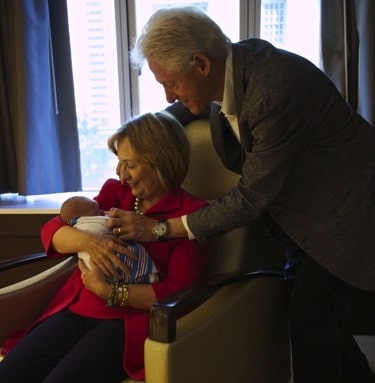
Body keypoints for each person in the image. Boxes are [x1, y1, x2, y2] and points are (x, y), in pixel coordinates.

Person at [109, 6, 375, 383]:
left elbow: (251, 196)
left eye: (172, 83)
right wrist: (145, 139)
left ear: (200, 63)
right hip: (300, 219)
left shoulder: (273, 89)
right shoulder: (230, 67)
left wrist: (160, 229)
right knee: (320, 325)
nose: (169, 94)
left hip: (346, 213)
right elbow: (182, 111)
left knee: (311, 323)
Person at [0, 112, 209, 382]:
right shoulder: (116, 194)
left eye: (130, 165)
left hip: (124, 323)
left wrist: (110, 292)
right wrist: (88, 242)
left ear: (161, 161)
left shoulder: (191, 215)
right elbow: (52, 229)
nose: (122, 176)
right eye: (119, 164)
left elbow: (174, 294)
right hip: (76, 307)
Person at [60, 195, 159, 283]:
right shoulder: (110, 191)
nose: (123, 177)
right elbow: (51, 227)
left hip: (127, 291)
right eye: (119, 172)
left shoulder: (90, 209)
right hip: (88, 280)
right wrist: (86, 240)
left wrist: (107, 291)